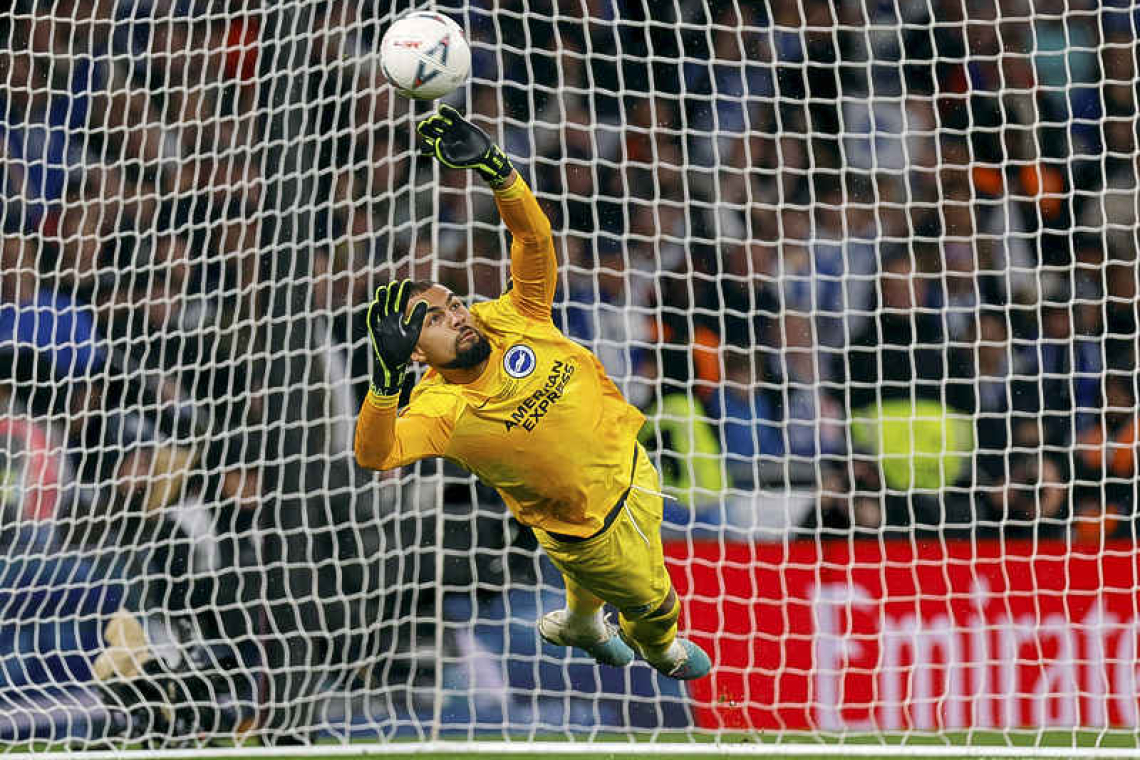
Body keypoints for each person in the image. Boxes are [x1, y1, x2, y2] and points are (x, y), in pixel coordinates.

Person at [353, 105, 711, 681]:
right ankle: (661, 647)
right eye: (437, 322)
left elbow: (534, 239)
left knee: (593, 586)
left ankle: (580, 621)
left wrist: (499, 172)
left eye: (455, 305)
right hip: (590, 530)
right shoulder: (438, 408)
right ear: (415, 353)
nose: (459, 317)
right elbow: (374, 455)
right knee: (653, 603)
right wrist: (386, 380)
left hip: (633, 463)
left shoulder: (512, 316)